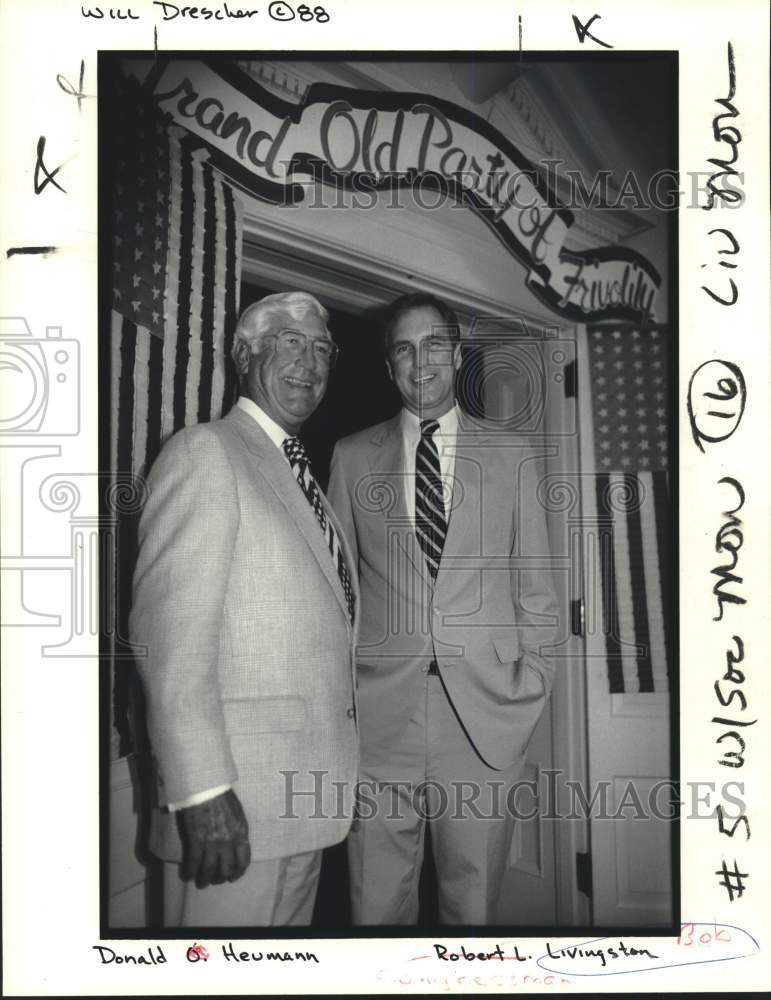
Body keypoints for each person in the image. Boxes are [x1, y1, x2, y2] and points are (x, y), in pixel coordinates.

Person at [327, 292, 558, 925]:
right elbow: (336, 591)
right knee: (374, 907)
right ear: (389, 365)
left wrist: (532, 684)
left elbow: (537, 590)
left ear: (456, 355)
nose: (418, 361)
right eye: (403, 349)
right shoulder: (350, 457)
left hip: (485, 719)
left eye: (432, 345)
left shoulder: (512, 455)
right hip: (379, 721)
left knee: (473, 909)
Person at [130, 291, 358, 927]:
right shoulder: (205, 452)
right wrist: (201, 789)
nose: (308, 362)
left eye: (320, 349)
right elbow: (168, 642)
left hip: (301, 810)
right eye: (289, 341)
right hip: (231, 814)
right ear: (244, 354)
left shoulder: (299, 475)